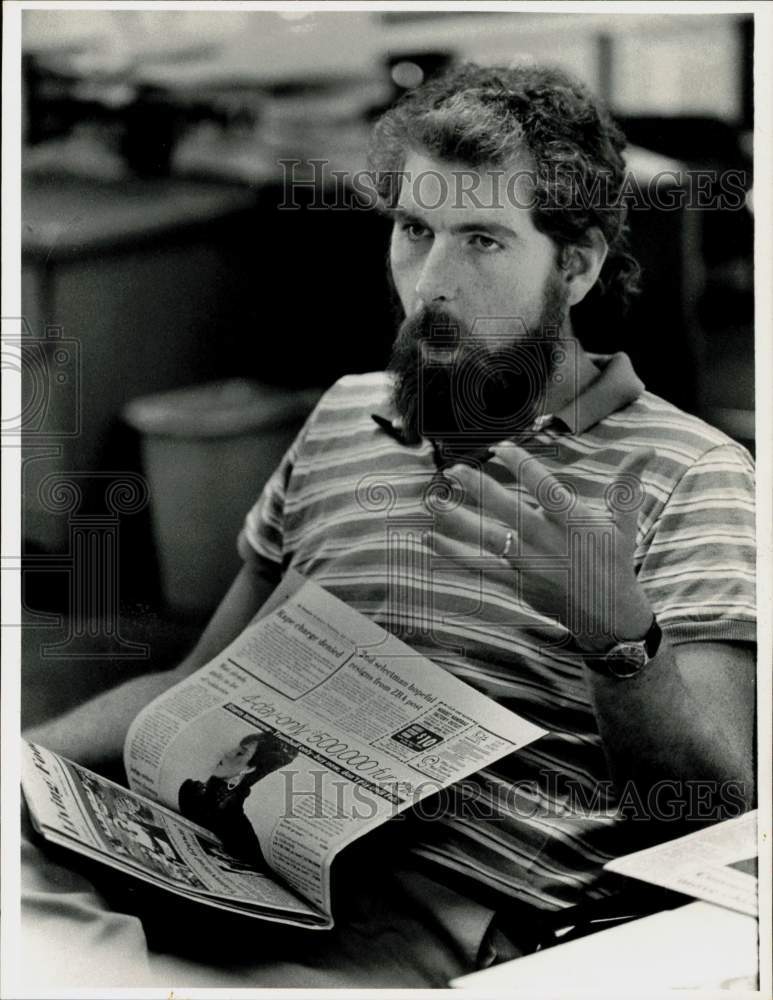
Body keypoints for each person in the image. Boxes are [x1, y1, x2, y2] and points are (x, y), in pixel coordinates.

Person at [23, 63, 756, 988]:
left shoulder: (690, 476)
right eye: (416, 230)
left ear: (574, 266)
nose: (431, 283)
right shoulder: (343, 414)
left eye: (482, 240)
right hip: (232, 878)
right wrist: (21, 766)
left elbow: (717, 820)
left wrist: (616, 637)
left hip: (443, 931)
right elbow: (193, 682)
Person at [178, 732, 299, 862]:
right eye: (235, 749)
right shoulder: (190, 790)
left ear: (250, 769)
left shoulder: (239, 824)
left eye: (240, 753)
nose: (228, 753)